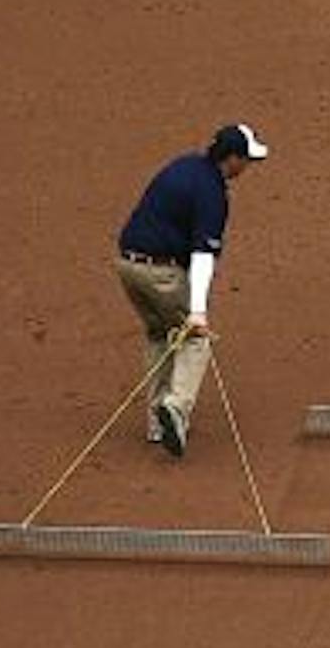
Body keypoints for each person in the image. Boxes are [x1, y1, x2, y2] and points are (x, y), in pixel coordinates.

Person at [114, 123, 267, 457]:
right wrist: (198, 310)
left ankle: (157, 422)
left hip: (127, 268)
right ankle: (176, 407)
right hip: (161, 274)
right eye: (247, 159)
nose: (249, 167)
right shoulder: (212, 194)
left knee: (160, 334)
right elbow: (202, 256)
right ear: (231, 159)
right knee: (195, 338)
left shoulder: (184, 165)